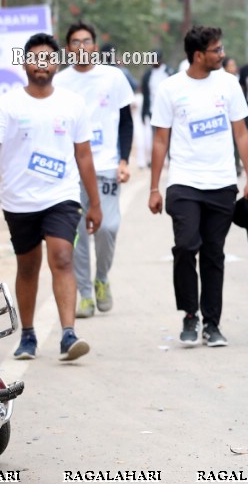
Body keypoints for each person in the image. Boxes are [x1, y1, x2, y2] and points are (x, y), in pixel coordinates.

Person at [150, 25, 248, 348]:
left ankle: (212, 323)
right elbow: (160, 139)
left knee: (213, 253)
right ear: (199, 55)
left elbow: (241, 133)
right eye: (217, 50)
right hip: (184, 182)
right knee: (185, 246)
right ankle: (189, 314)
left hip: (222, 182)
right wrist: (154, 187)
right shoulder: (170, 89)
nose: (222, 55)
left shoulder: (229, 84)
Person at [2, 33, 97, 361]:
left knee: (62, 257)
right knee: (28, 266)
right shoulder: (8, 104)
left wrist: (94, 203)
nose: (42, 64)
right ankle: (28, 336)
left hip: (62, 195)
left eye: (48, 58)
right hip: (18, 199)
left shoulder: (72, 103)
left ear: (57, 63)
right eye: (35, 58)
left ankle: (68, 334)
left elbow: (83, 155)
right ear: (25, 62)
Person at [55, 22, 134, 318]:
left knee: (108, 227)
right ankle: (85, 294)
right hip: (71, 173)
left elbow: (126, 121)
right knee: (75, 235)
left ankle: (101, 278)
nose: (81, 47)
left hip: (106, 166)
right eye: (75, 42)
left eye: (86, 41)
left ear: (95, 46)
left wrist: (124, 160)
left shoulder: (114, 77)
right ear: (67, 49)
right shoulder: (60, 82)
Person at [139, 54, 174, 168]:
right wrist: (143, 112)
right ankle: (157, 161)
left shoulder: (168, 72)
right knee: (156, 137)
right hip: (153, 111)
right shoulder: (148, 75)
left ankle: (171, 158)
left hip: (170, 110)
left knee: (170, 136)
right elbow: (145, 95)